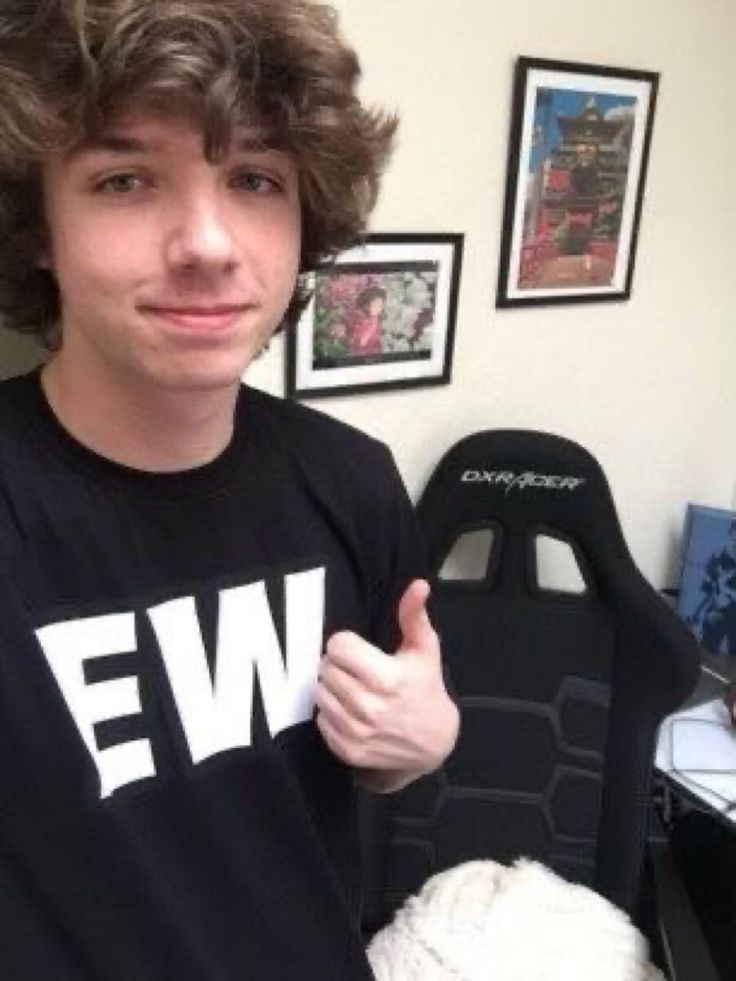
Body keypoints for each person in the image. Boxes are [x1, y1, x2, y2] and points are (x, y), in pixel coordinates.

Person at [0, 2, 459, 978]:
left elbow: (387, 744)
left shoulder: (352, 479)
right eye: (125, 180)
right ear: (38, 227)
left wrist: (421, 742)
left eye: (255, 179)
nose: (207, 243)